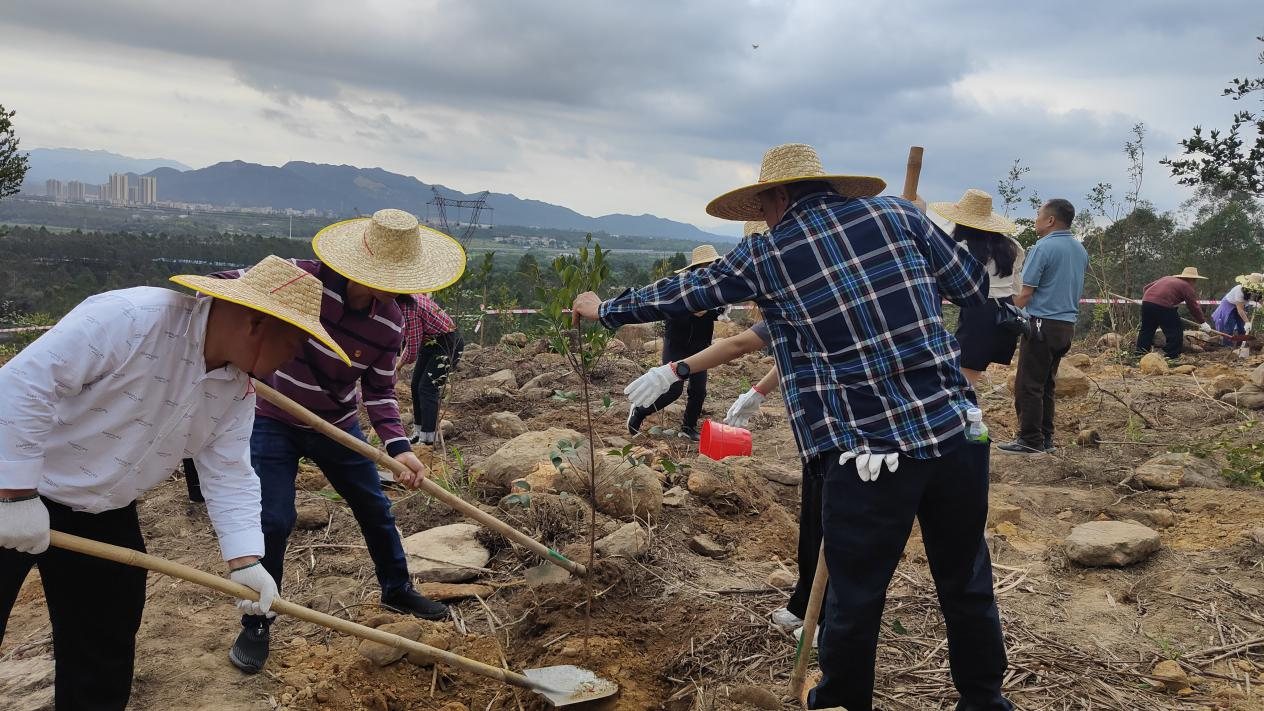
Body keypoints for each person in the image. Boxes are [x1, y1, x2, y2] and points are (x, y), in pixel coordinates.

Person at [575, 143, 1011, 711]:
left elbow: (684, 291)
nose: (763, 219)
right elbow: (971, 290)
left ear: (778, 197)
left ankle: (840, 702)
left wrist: (603, 308)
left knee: (855, 594)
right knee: (967, 580)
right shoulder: (903, 216)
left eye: (763, 208)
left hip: (867, 454)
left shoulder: (769, 253)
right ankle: (984, 701)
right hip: (954, 434)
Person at [0, 255, 345, 710]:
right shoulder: (131, 318)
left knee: (104, 642)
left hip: (103, 510)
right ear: (258, 323)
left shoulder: (235, 388)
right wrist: (16, 492)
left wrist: (245, 560)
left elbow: (228, 473)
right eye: (295, 343)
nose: (292, 358)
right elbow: (22, 385)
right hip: (12, 485)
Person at [225, 209, 466, 674]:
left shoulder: (391, 321)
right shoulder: (300, 279)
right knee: (274, 519)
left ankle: (396, 588)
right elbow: (225, 287)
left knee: (375, 507)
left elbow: (377, 391)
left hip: (338, 425)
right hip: (274, 418)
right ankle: (258, 618)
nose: (396, 289)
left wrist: (401, 450)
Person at [998, 199, 1089, 456]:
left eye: (1038, 214)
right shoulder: (1079, 249)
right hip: (1065, 326)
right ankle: (1045, 438)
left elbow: (1026, 292)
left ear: (1050, 220)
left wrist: (1004, 312)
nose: (1035, 218)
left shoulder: (1043, 247)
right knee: (1046, 385)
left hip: (1040, 323)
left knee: (1027, 385)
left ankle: (1029, 440)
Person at [626, 244, 725, 441]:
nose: (708, 270)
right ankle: (638, 413)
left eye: (711, 265)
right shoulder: (681, 287)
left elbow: (721, 310)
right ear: (695, 268)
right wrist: (689, 310)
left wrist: (709, 311)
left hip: (700, 346)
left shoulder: (716, 288)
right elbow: (669, 310)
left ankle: (688, 427)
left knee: (699, 390)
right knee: (673, 389)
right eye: (704, 266)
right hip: (677, 344)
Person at [929, 190, 1025, 387]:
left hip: (979, 312)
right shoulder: (1013, 246)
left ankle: (967, 415)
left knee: (964, 378)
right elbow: (1016, 287)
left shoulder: (961, 248)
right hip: (1006, 312)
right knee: (972, 371)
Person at [401, 294, 464, 446]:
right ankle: (419, 432)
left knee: (427, 388)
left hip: (447, 343)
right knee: (416, 385)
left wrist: (397, 365)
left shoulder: (409, 308)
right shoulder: (407, 299)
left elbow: (413, 348)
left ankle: (428, 438)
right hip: (430, 342)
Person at [1134, 267, 1212, 360]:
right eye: (1195, 281)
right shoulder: (1186, 286)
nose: (1195, 283)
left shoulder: (1166, 278)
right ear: (1192, 279)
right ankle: (1171, 356)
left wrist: (1150, 300)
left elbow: (1146, 288)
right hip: (1163, 306)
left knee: (1147, 330)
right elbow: (1193, 306)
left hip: (1147, 303)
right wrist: (1202, 322)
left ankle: (1140, 354)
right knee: (1175, 331)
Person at [1211, 272, 1262, 344]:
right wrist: (1247, 322)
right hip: (1230, 305)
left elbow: (1260, 300)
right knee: (1229, 326)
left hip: (1242, 305)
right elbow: (1240, 310)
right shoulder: (1240, 291)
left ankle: (1240, 344)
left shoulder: (1258, 290)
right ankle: (1227, 346)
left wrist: (1260, 305)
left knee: (1242, 327)